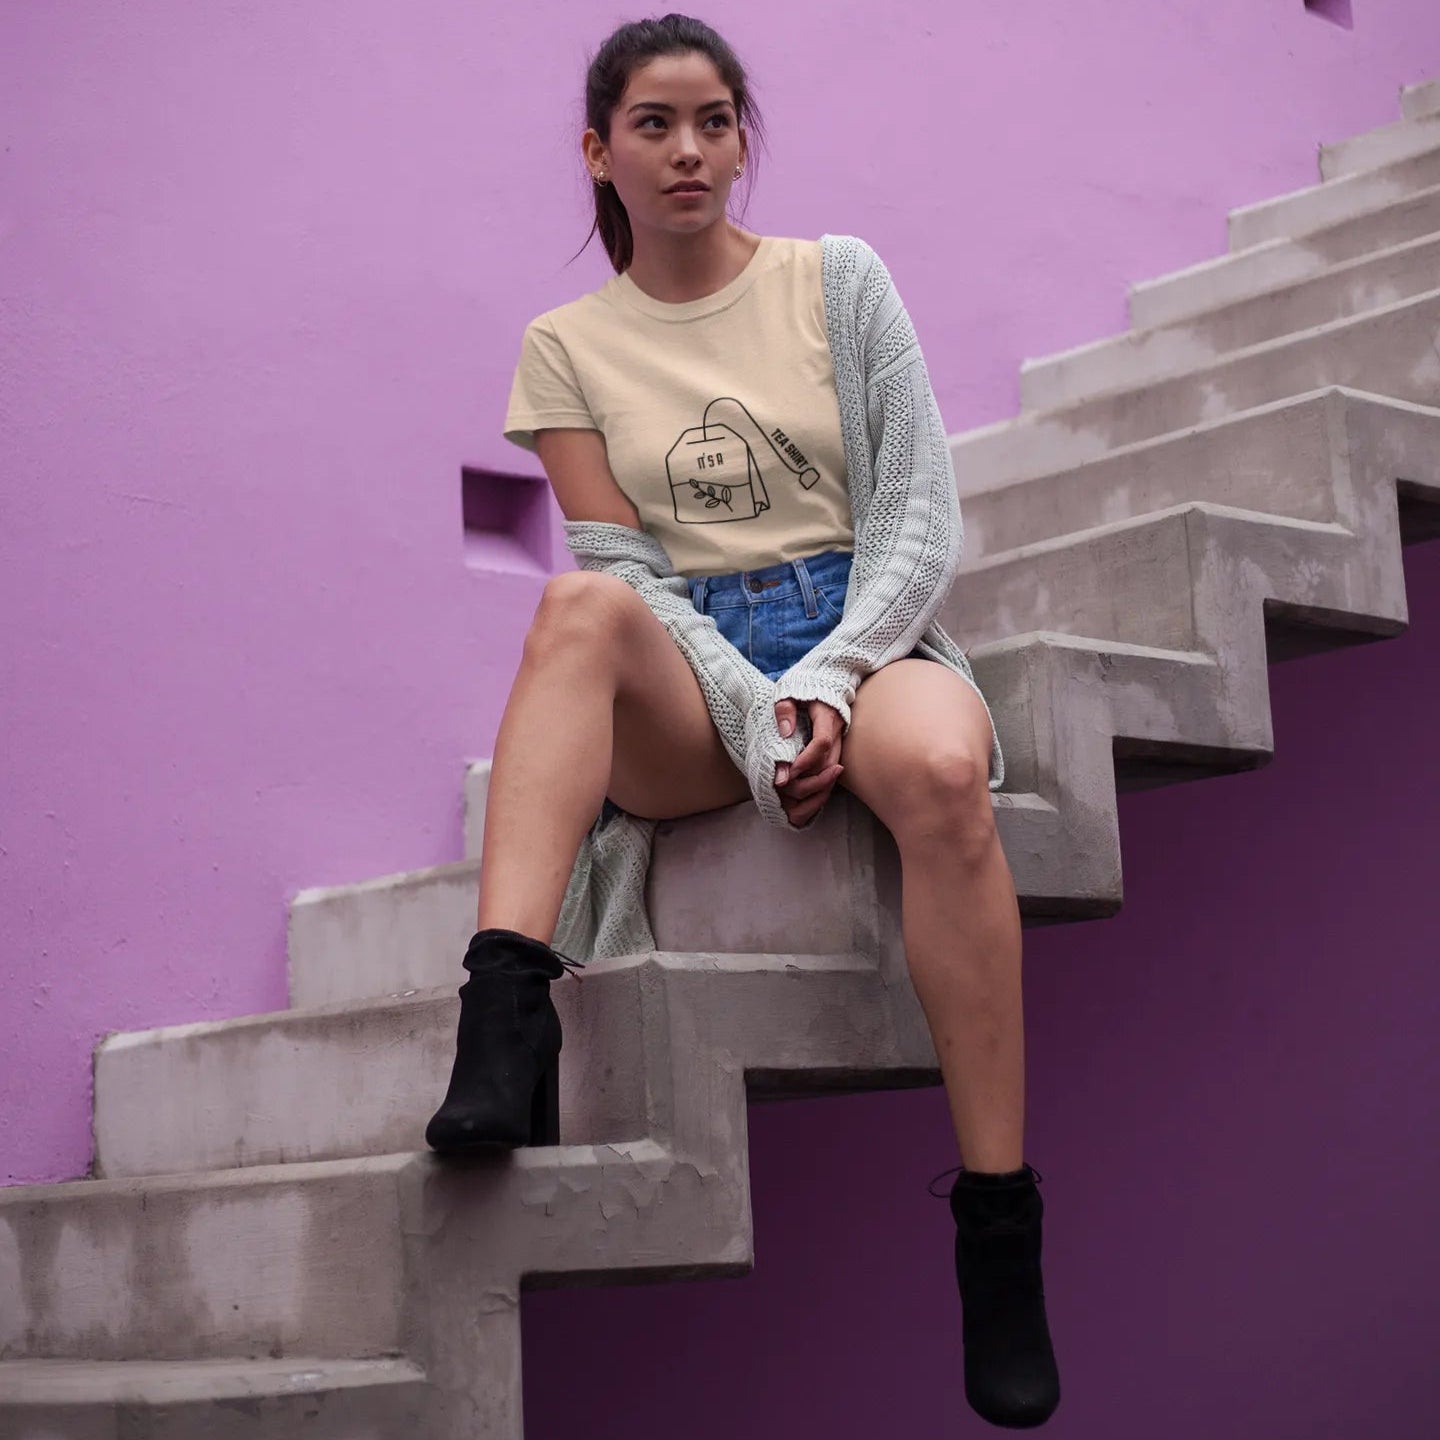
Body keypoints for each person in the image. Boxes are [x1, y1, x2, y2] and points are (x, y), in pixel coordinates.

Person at [426, 13, 1059, 1429]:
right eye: (654, 124)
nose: (690, 149)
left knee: (947, 772)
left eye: (714, 120)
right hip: (689, 666)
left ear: (742, 137)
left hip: (861, 620)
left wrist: (828, 677)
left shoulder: (840, 282)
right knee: (578, 617)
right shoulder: (567, 345)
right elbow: (630, 572)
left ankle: (1000, 1225)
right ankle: (504, 1017)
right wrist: (751, 701)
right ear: (600, 152)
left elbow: (916, 515)